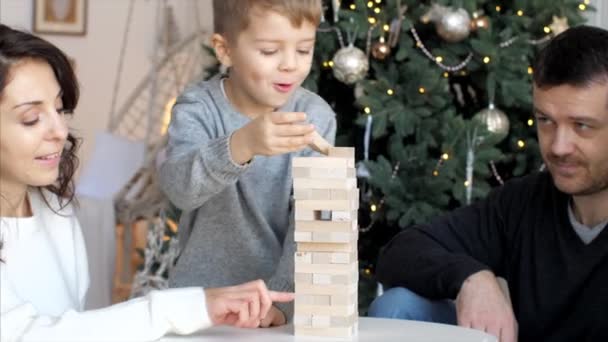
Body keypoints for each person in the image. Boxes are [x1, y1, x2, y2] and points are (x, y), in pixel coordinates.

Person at [0, 24, 294, 342]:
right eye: (31, 118)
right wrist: (193, 306)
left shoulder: (55, 210)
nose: (59, 130)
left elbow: (77, 328)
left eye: (59, 109)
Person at [368, 25, 608, 342]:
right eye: (546, 121)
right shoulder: (525, 202)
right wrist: (471, 277)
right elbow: (399, 253)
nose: (558, 146)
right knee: (398, 307)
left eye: (582, 126)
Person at [158, 0, 336, 326]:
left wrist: (281, 300)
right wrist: (242, 145)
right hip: (200, 304)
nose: (290, 66)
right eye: (270, 51)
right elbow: (180, 190)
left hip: (274, 309)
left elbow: (314, 224)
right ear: (224, 50)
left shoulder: (317, 117)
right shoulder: (198, 109)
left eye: (304, 50)